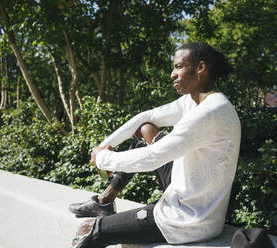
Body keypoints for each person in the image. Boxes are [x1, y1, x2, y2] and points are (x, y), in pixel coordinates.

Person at [69, 42, 241, 248]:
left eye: (178, 67)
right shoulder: (195, 101)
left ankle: (104, 211)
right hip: (185, 195)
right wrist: (104, 147)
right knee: (146, 129)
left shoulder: (210, 111)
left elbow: (153, 157)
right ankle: (105, 202)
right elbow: (146, 117)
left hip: (187, 220)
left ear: (200, 68)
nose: (172, 74)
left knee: (90, 232)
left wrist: (104, 159)